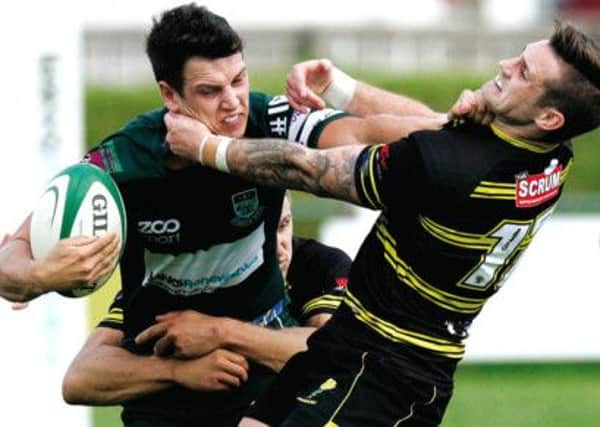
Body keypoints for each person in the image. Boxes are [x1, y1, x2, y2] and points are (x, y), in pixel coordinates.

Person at [163, 22, 600, 426]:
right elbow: (433, 134)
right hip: (352, 342)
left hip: (387, 372)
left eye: (523, 71)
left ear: (548, 117)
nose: (505, 65)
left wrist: (207, 148)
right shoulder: (552, 156)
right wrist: (340, 88)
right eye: (518, 56)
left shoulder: (449, 168)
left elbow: (310, 171)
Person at [48, 4, 456, 427]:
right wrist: (37, 278)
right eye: (211, 91)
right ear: (170, 95)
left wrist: (345, 88)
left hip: (261, 401)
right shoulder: (124, 166)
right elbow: (75, 375)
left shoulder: (274, 126)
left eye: (239, 81)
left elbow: (386, 134)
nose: (233, 103)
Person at [63, 191, 351, 420]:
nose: (277, 245)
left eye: (283, 225)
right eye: (259, 233)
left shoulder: (318, 264)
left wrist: (219, 332)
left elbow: (335, 353)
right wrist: (177, 372)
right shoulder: (179, 275)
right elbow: (79, 379)